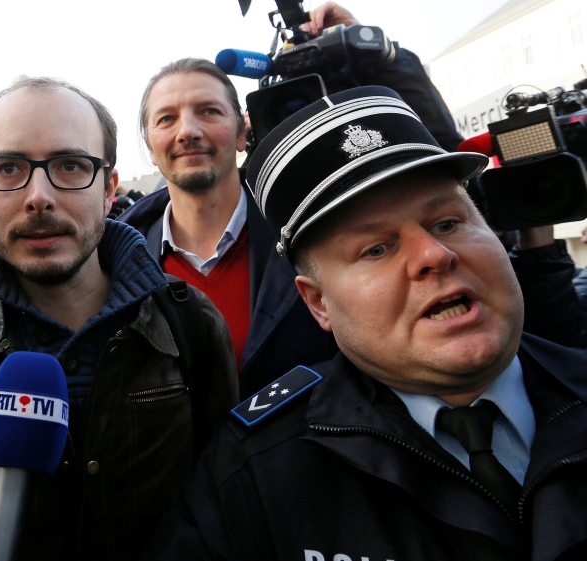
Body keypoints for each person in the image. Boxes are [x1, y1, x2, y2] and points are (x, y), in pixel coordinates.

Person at [144, 86, 587, 560]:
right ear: (319, 304)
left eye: (447, 223)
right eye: (376, 249)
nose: (434, 255)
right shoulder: (251, 478)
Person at [0, 77, 238, 560]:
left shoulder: (191, 324)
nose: (38, 196)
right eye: (8, 168)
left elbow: (226, 513)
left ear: (108, 188)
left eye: (70, 166)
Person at [118, 1, 463, 396]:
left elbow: (436, 173)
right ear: (150, 146)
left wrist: (383, 56)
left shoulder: (316, 226)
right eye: (167, 119)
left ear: (242, 132)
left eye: (209, 112)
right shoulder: (114, 261)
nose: (188, 131)